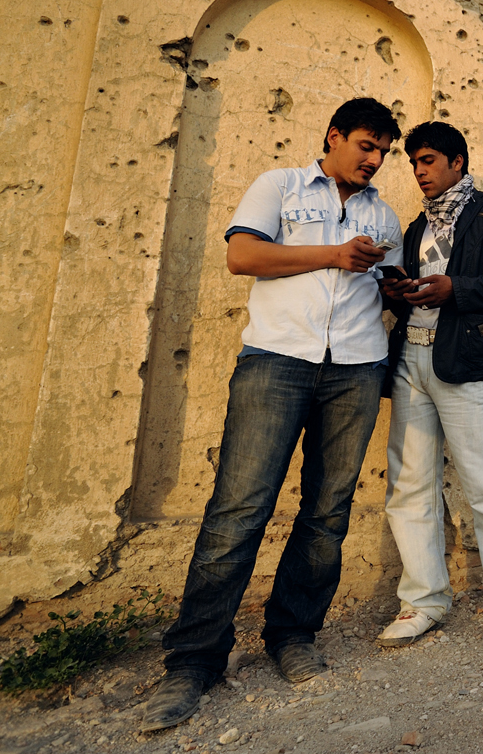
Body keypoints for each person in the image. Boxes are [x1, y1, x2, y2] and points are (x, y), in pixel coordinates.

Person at [143, 98, 404, 732]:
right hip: (277, 361)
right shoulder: (279, 186)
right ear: (334, 137)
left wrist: (393, 284)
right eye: (367, 146)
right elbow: (244, 258)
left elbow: (382, 284)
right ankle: (193, 662)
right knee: (238, 510)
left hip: (357, 368)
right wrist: (334, 255)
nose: (375, 161)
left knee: (327, 510)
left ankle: (292, 635)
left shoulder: (384, 214)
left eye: (384, 152)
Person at [374, 121, 483, 652]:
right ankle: (424, 601)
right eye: (414, 164)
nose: (419, 172)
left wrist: (458, 288)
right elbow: (413, 291)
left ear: (457, 163)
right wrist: (400, 291)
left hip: (464, 363)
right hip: (411, 362)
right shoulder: (414, 228)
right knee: (409, 486)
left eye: (427, 161)